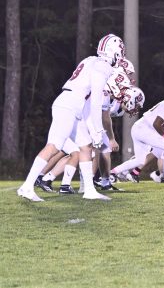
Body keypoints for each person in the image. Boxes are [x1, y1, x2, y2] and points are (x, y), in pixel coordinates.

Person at [17, 34, 125, 202]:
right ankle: (27, 186)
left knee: (86, 146)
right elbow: (96, 99)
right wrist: (97, 129)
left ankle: (89, 190)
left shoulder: (91, 60)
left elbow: (89, 101)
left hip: (73, 104)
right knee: (54, 146)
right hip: (70, 105)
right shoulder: (103, 66)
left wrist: (93, 128)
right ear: (114, 52)